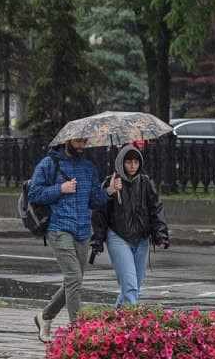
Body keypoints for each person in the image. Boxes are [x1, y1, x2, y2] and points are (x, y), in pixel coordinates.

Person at [29, 138, 122, 342]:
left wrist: (109, 191)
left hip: (82, 231)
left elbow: (94, 200)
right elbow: (34, 193)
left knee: (74, 281)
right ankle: (78, 333)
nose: (82, 146)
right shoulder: (49, 164)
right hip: (59, 229)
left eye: (84, 142)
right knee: (73, 279)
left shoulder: (88, 168)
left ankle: (45, 317)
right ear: (67, 141)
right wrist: (59, 189)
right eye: (78, 142)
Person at [92, 145, 169, 306]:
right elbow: (100, 213)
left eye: (136, 162)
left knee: (135, 284)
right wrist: (97, 241)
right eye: (128, 162)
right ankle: (132, 324)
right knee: (130, 286)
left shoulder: (145, 182)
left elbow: (156, 208)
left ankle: (114, 322)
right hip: (118, 237)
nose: (132, 166)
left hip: (141, 239)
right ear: (121, 163)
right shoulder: (111, 182)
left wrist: (161, 235)